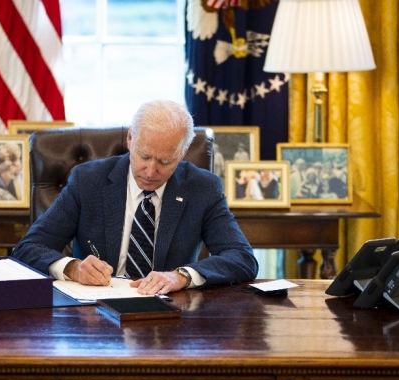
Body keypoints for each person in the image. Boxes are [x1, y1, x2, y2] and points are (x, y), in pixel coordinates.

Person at [13, 99, 258, 295]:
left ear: (183, 152)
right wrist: (72, 268)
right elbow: (28, 248)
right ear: (130, 139)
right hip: (96, 313)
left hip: (170, 314)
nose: (150, 171)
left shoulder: (203, 188)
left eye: (165, 161)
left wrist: (181, 276)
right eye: (144, 156)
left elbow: (242, 258)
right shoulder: (88, 180)